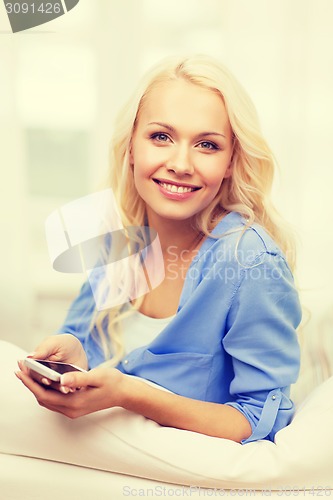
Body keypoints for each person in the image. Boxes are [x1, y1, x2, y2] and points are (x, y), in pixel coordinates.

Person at [15, 54, 301, 445]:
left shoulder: (249, 262)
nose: (180, 164)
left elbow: (259, 419)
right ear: (132, 145)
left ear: (232, 161)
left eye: (207, 144)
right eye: (161, 137)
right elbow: (83, 341)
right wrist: (71, 354)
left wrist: (132, 394)